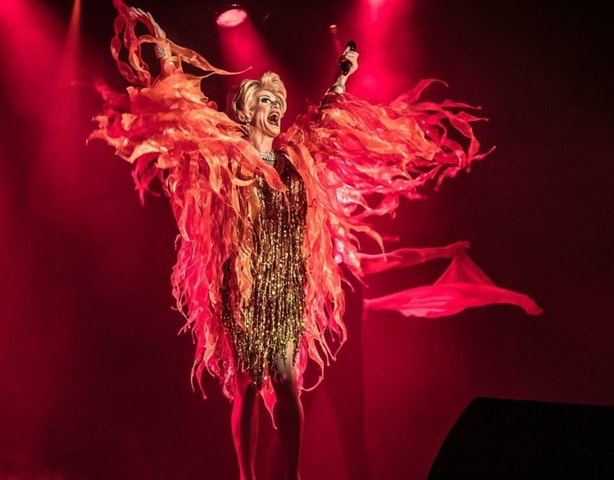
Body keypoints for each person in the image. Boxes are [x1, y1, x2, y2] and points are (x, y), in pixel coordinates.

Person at [91, 2, 541, 479]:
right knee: (248, 384)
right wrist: (165, 52)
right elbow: (191, 114)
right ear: (247, 110)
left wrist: (343, 74)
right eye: (267, 101)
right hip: (243, 280)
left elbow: (325, 118)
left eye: (278, 102)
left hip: (287, 280)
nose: (276, 108)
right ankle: (247, 477)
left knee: (287, 378)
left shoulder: (295, 155)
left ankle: (292, 476)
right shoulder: (233, 154)